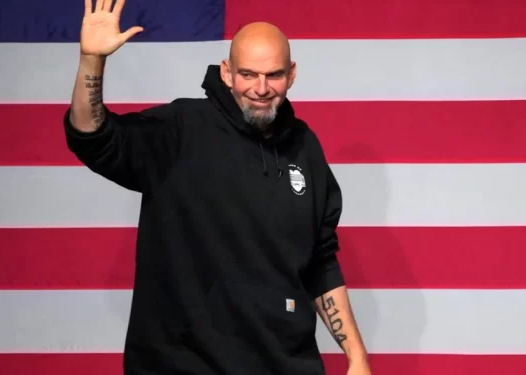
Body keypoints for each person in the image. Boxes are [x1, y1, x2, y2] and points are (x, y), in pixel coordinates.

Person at [64, 1, 373, 374]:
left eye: (273, 75)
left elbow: (320, 262)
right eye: (248, 74)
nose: (261, 88)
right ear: (226, 73)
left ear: (291, 75)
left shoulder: (305, 148)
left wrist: (355, 355)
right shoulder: (180, 129)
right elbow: (92, 136)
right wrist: (91, 61)